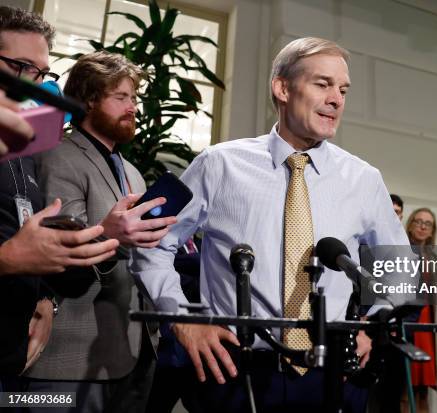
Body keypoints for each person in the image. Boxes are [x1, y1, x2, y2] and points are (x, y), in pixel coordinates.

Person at [132, 37, 413, 412]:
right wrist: (183, 320)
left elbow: (400, 269)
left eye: (343, 89)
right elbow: (152, 243)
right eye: (322, 84)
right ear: (282, 88)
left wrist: (370, 329)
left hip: (331, 377)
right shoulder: (219, 165)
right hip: (234, 370)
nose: (337, 99)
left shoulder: (364, 179)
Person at [23, 51, 176, 412]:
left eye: (134, 98)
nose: (132, 106)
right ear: (89, 99)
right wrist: (113, 234)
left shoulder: (134, 172)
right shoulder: (57, 156)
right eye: (120, 97)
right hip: (70, 358)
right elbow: (61, 250)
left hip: (132, 349)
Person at [0, 6, 118, 389]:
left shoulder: (23, 149)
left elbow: (22, 233)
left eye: (42, 73)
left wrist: (47, 297)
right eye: (20, 67)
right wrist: (8, 260)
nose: (36, 85)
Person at [405, 208, 437, 413]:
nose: (423, 226)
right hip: (407, 321)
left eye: (428, 223)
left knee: (422, 388)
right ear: (410, 224)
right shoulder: (401, 251)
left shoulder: (432, 256)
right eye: (419, 221)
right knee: (405, 385)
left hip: (426, 323)